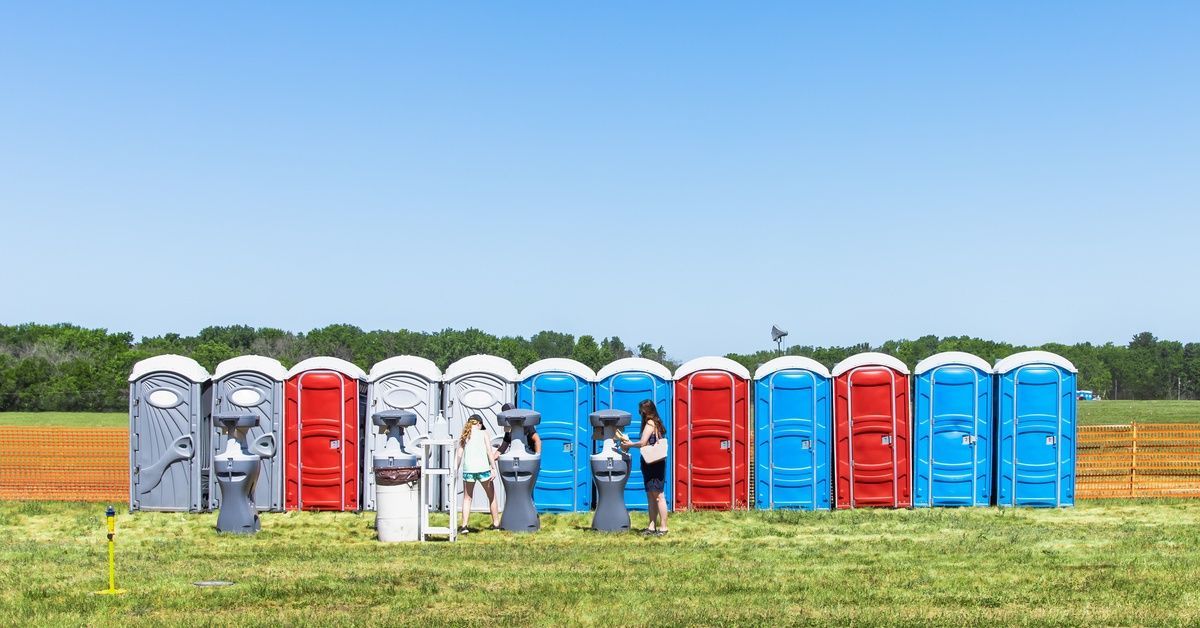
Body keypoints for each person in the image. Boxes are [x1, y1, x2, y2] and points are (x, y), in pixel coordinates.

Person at [620, 399, 668, 536]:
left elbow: (642, 443)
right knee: (652, 496)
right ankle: (652, 526)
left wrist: (628, 444)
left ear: (647, 411)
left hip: (653, 463)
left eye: (642, 411)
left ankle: (663, 527)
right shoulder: (657, 422)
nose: (640, 414)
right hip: (653, 462)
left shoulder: (650, 423)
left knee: (658, 496)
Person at [454, 414, 500, 533]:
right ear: (479, 423)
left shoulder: (465, 434)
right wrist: (493, 468)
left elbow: (459, 454)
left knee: (467, 498)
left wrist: (455, 469)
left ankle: (464, 526)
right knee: (492, 496)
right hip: (483, 469)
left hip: (469, 470)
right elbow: (489, 452)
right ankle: (496, 525)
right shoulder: (484, 433)